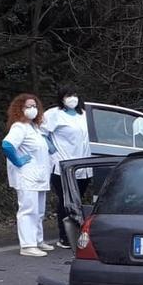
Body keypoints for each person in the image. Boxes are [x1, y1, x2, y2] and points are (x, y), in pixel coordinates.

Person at [2, 94, 54, 256]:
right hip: (27, 176)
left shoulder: (34, 128)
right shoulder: (19, 127)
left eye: (34, 106)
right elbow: (7, 145)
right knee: (28, 210)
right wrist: (18, 161)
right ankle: (27, 245)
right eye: (28, 106)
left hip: (38, 177)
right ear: (20, 109)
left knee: (39, 211)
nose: (32, 109)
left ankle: (38, 240)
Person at [42, 85, 91, 249]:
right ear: (61, 98)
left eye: (75, 94)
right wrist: (52, 150)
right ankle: (64, 236)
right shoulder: (53, 114)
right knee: (65, 201)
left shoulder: (84, 114)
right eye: (68, 95)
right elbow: (42, 133)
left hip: (84, 165)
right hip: (63, 164)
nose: (72, 98)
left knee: (77, 201)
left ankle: (76, 232)